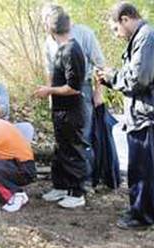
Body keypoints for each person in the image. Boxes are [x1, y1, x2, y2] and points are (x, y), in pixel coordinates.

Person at [97, 2, 154, 229]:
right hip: (143, 114)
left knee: (146, 170)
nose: (116, 35)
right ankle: (138, 209)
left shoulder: (146, 39)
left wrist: (111, 76)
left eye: (116, 29)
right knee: (139, 167)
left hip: (149, 115)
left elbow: (139, 79)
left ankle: (143, 217)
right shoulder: (141, 38)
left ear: (125, 19)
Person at [42, 4, 106, 187]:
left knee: (80, 138)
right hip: (58, 94)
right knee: (63, 141)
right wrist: (49, 94)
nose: (45, 24)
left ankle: (82, 185)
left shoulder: (82, 35)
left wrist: (98, 91)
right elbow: (50, 70)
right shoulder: (49, 41)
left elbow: (99, 65)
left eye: (46, 19)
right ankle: (64, 185)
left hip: (81, 90)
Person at [35, 7, 88, 208]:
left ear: (50, 29)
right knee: (61, 150)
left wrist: (48, 90)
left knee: (74, 150)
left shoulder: (72, 50)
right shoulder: (61, 49)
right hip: (60, 111)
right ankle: (61, 186)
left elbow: (74, 88)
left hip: (72, 111)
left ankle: (77, 192)